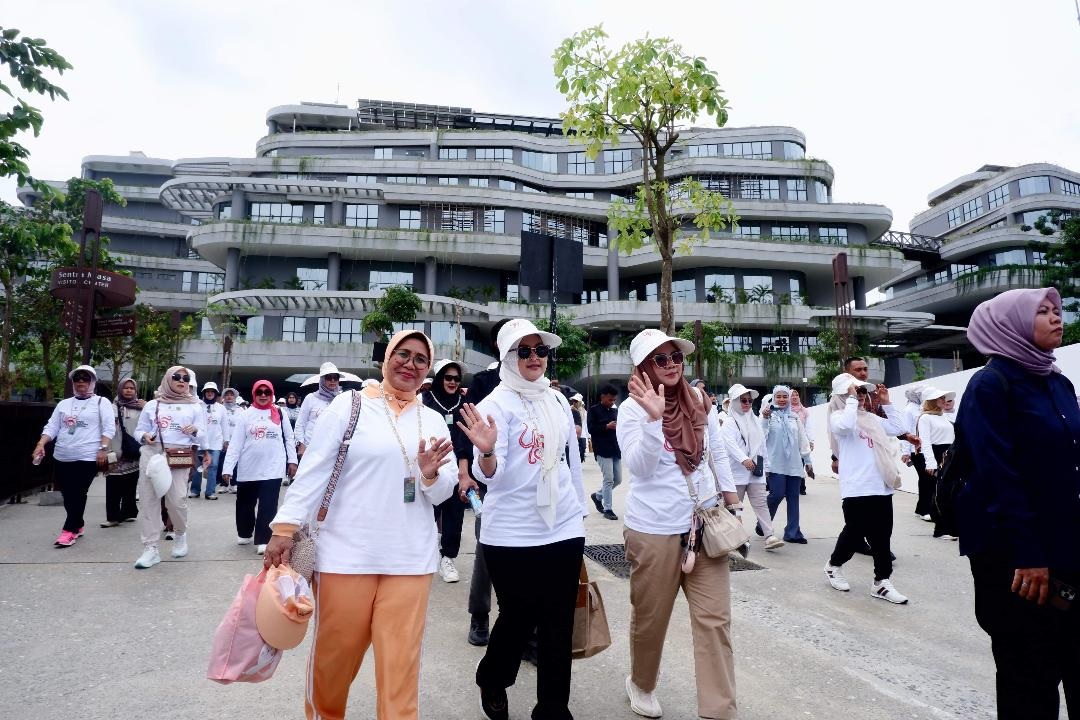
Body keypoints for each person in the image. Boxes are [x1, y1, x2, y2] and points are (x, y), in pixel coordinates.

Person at [264, 330, 456, 720]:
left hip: (409, 560)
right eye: (403, 354)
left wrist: (431, 475)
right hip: (345, 557)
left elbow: (443, 493)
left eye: (421, 359)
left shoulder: (433, 419)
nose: (410, 364)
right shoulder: (350, 405)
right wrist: (283, 528)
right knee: (334, 664)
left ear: (427, 370)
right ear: (387, 358)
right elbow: (314, 469)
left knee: (400, 670)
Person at [957, 287, 1080, 719]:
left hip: (1067, 549)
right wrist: (1028, 555)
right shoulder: (990, 384)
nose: (1056, 318)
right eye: (1042, 312)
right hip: (1015, 559)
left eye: (1057, 311)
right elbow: (996, 475)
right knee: (1029, 676)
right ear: (1010, 325)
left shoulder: (1057, 382)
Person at [456, 318, 587, 720]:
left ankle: (552, 708)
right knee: (518, 616)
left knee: (558, 622)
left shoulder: (557, 399)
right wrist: (487, 453)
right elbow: (489, 477)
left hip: (562, 525)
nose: (534, 358)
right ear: (506, 357)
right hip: (511, 532)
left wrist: (579, 513)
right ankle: (493, 677)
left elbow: (572, 462)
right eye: (524, 351)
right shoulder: (496, 405)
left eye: (540, 350)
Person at [617, 329, 739, 720]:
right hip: (653, 529)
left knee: (715, 620)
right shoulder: (631, 410)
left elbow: (715, 450)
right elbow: (639, 468)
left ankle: (719, 710)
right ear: (643, 367)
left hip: (703, 524)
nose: (671, 366)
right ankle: (641, 682)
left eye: (676, 358)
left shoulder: (698, 399)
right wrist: (654, 421)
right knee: (652, 619)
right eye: (660, 360)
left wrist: (732, 498)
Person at [824, 373, 910, 604]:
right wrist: (851, 399)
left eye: (862, 392)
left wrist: (886, 403)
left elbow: (899, 427)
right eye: (855, 391)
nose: (860, 396)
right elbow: (845, 426)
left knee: (882, 537)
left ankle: (881, 581)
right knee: (853, 534)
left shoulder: (872, 418)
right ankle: (833, 566)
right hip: (856, 487)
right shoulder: (839, 416)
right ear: (842, 395)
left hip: (880, 486)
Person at [32, 365, 115, 547]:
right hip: (62, 455)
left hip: (87, 456)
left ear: (92, 381)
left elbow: (109, 428)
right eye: (77, 378)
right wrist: (41, 444)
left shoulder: (101, 402)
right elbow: (52, 426)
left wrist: (103, 449)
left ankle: (69, 530)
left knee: (77, 492)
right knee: (68, 494)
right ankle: (78, 523)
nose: (81, 382)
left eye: (85, 378)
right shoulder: (64, 404)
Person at [132, 366, 205, 569]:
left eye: (186, 378)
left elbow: (203, 434)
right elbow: (139, 430)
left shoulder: (195, 406)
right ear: (167, 379)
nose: (182, 380)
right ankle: (150, 548)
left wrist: (195, 430)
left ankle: (180, 534)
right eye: (177, 377)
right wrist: (144, 436)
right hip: (152, 453)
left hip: (179, 454)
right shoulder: (153, 404)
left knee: (177, 500)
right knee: (148, 500)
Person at [221, 380, 297, 555]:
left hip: (273, 468)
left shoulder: (280, 413)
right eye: (260, 392)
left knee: (268, 505)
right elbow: (236, 444)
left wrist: (292, 461)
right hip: (248, 468)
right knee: (245, 505)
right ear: (254, 394)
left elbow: (289, 439)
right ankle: (245, 532)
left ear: (272, 394)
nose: (263, 395)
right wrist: (228, 468)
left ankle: (263, 539)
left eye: (267, 392)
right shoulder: (246, 415)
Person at [722, 383, 783, 551]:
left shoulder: (755, 420)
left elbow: (762, 445)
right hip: (736, 471)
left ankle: (769, 535)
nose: (747, 403)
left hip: (756, 470)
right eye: (743, 400)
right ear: (734, 402)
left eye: (749, 400)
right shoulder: (729, 422)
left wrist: (767, 468)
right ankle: (738, 537)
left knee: (761, 503)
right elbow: (729, 444)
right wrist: (743, 459)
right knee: (736, 507)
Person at [423, 358, 468, 583]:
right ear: (440, 378)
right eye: (448, 377)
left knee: (454, 514)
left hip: (457, 466)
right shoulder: (424, 400)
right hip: (430, 466)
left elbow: (467, 440)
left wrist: (464, 471)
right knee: (425, 512)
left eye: (456, 378)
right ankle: (425, 553)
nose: (452, 382)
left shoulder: (465, 403)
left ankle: (448, 557)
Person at [760, 385, 813, 544]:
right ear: (774, 398)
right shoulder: (768, 416)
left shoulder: (794, 417)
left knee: (793, 498)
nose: (782, 400)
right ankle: (763, 523)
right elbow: (761, 437)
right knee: (776, 494)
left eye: (785, 397)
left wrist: (808, 461)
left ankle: (792, 532)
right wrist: (764, 419)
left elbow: (803, 440)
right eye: (779, 397)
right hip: (775, 463)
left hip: (794, 464)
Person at [911, 387, 955, 528]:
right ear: (932, 401)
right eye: (940, 398)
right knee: (937, 489)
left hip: (949, 454)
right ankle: (940, 524)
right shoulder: (924, 418)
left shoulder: (944, 416)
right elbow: (925, 441)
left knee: (949, 489)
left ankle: (947, 520)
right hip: (937, 454)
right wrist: (930, 463)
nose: (944, 400)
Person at [102, 377, 143, 527]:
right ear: (120, 389)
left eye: (132, 388)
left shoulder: (140, 407)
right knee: (112, 483)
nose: (128, 390)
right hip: (114, 450)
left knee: (130, 483)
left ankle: (129, 512)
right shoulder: (112, 407)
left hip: (133, 450)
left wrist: (146, 407)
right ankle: (112, 517)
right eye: (125, 387)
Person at [587, 385, 622, 521]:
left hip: (615, 449)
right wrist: (606, 426)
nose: (612, 402)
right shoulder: (593, 411)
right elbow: (590, 429)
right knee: (608, 479)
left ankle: (598, 496)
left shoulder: (615, 411)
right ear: (602, 397)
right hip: (602, 449)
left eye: (614, 400)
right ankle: (608, 509)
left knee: (618, 479)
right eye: (610, 400)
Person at [294, 362, 341, 459]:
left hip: (333, 449)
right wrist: (301, 444)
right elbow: (300, 423)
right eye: (328, 377)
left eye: (335, 377)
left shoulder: (341, 399)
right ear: (322, 379)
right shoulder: (311, 398)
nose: (332, 380)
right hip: (310, 447)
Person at [189, 381, 224, 500]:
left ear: (215, 393)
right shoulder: (198, 406)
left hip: (215, 443)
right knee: (199, 466)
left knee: (213, 466)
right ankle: (195, 490)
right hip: (200, 442)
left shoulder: (221, 408)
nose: (209, 393)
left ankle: (210, 492)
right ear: (204, 393)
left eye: (212, 392)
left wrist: (226, 441)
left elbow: (224, 426)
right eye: (207, 391)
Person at [790, 389, 814, 495]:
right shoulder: (785, 411)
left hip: (801, 442)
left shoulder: (804, 411)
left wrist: (810, 441)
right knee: (790, 466)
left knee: (801, 464)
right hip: (789, 443)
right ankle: (791, 487)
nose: (795, 397)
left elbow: (808, 427)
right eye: (792, 395)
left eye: (797, 395)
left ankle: (801, 487)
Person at [899, 386, 925, 467]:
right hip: (915, 450)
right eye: (919, 394)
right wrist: (906, 452)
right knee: (925, 477)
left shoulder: (920, 407)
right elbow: (905, 432)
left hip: (923, 448)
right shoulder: (908, 410)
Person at [570, 393, 587, 462]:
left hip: (583, 434)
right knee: (576, 450)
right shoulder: (571, 410)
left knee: (582, 450)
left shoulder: (583, 411)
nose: (574, 402)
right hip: (575, 433)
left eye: (576, 401)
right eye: (573, 401)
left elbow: (585, 423)